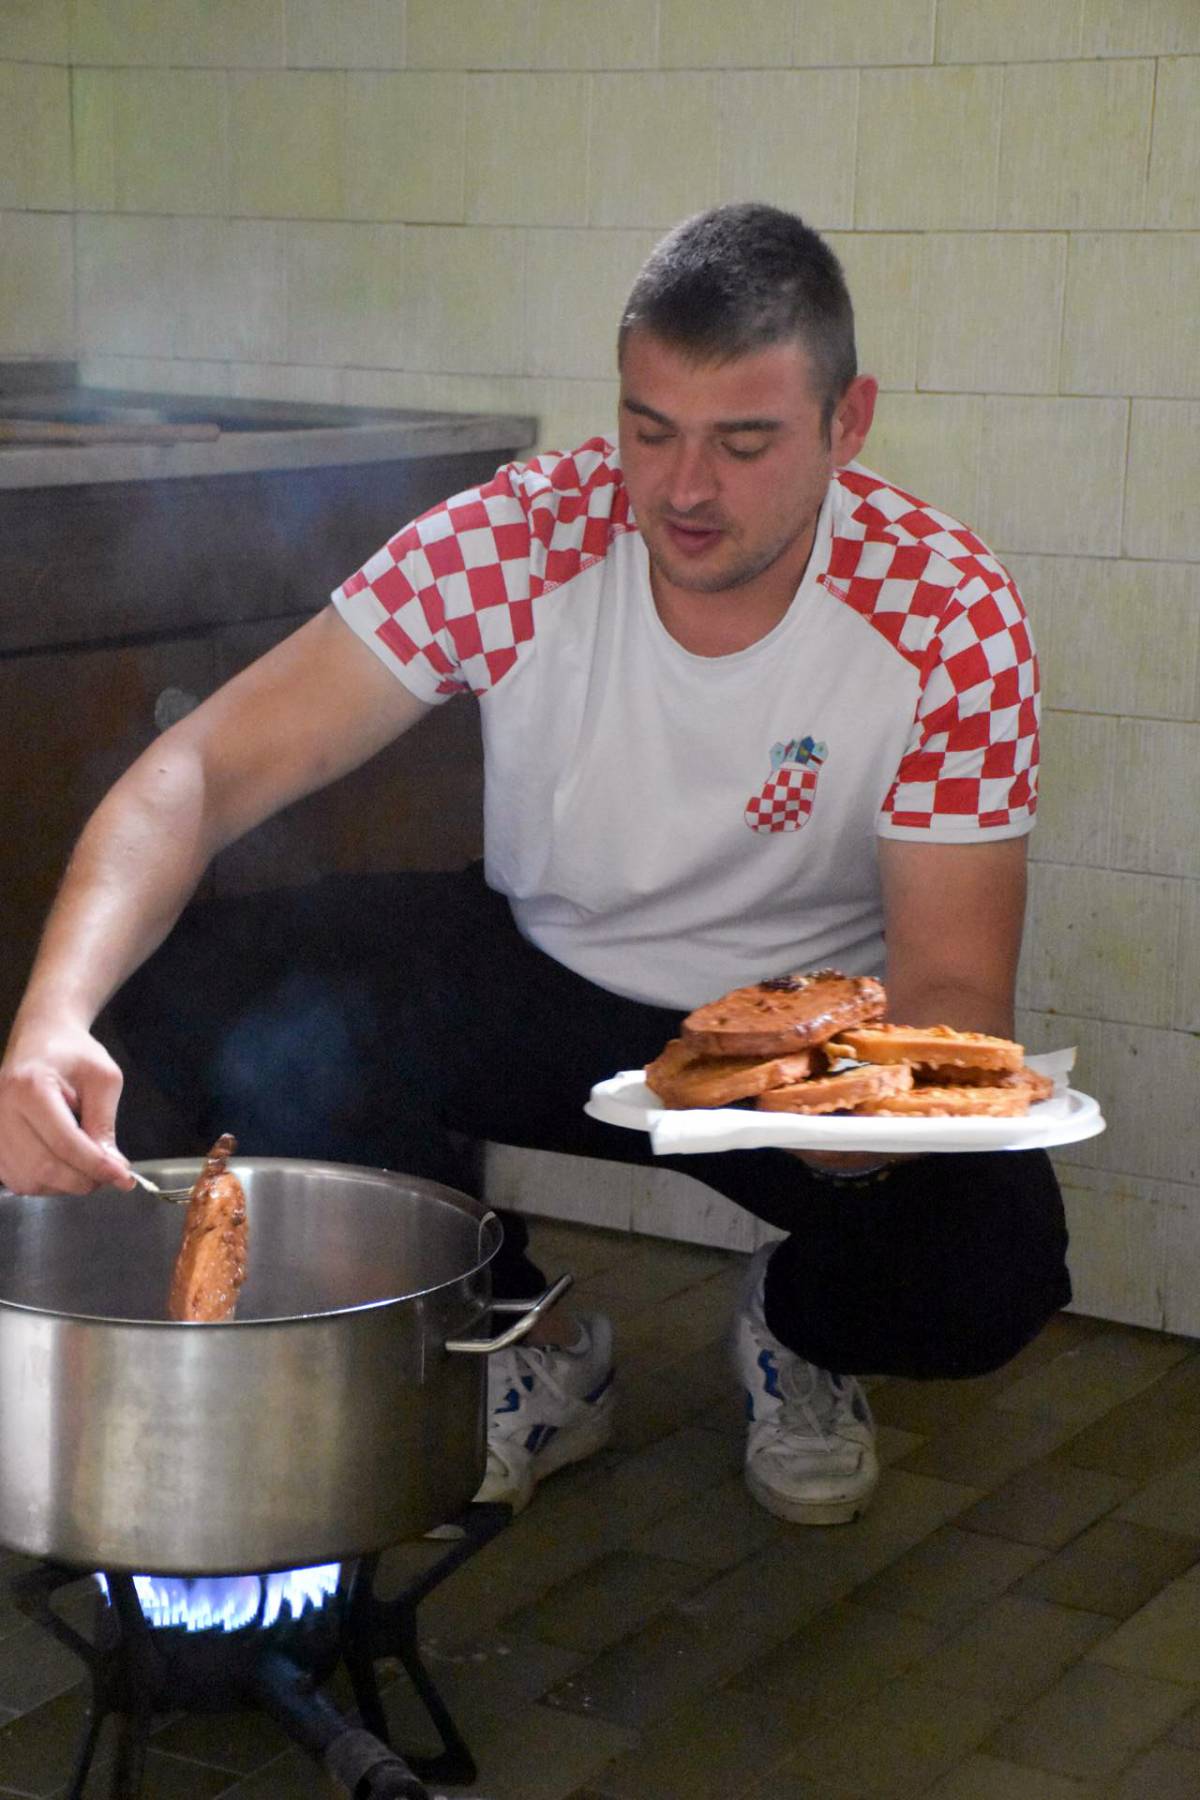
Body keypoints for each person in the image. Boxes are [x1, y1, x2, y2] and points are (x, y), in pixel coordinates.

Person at [0, 203, 1069, 1527]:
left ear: (847, 426)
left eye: (744, 443)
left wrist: (865, 1132)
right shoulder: (525, 536)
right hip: (538, 969)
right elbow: (201, 773)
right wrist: (49, 1021)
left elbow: (957, 986)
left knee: (995, 1260)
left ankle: (798, 1329)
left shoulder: (944, 608)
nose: (684, 489)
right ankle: (524, 1336)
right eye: (649, 430)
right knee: (188, 1001)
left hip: (794, 1040)